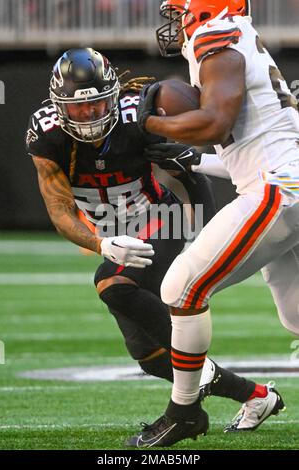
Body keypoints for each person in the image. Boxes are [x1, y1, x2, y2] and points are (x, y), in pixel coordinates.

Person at [26, 47, 284, 445]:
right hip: (111, 232)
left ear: (112, 96)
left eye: (96, 106)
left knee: (112, 285)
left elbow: (194, 169)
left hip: (159, 217)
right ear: (58, 107)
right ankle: (256, 396)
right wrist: (101, 242)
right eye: (78, 110)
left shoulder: (138, 117)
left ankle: (187, 412)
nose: (90, 117)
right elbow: (59, 209)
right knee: (150, 356)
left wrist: (204, 226)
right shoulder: (46, 133)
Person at [130, 0, 299, 447]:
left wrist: (143, 124)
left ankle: (183, 411)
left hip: (278, 189)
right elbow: (249, 141)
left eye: (180, 9)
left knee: (181, 288)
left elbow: (214, 122)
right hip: (286, 180)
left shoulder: (216, 35)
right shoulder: (242, 38)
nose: (177, 20)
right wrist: (196, 158)